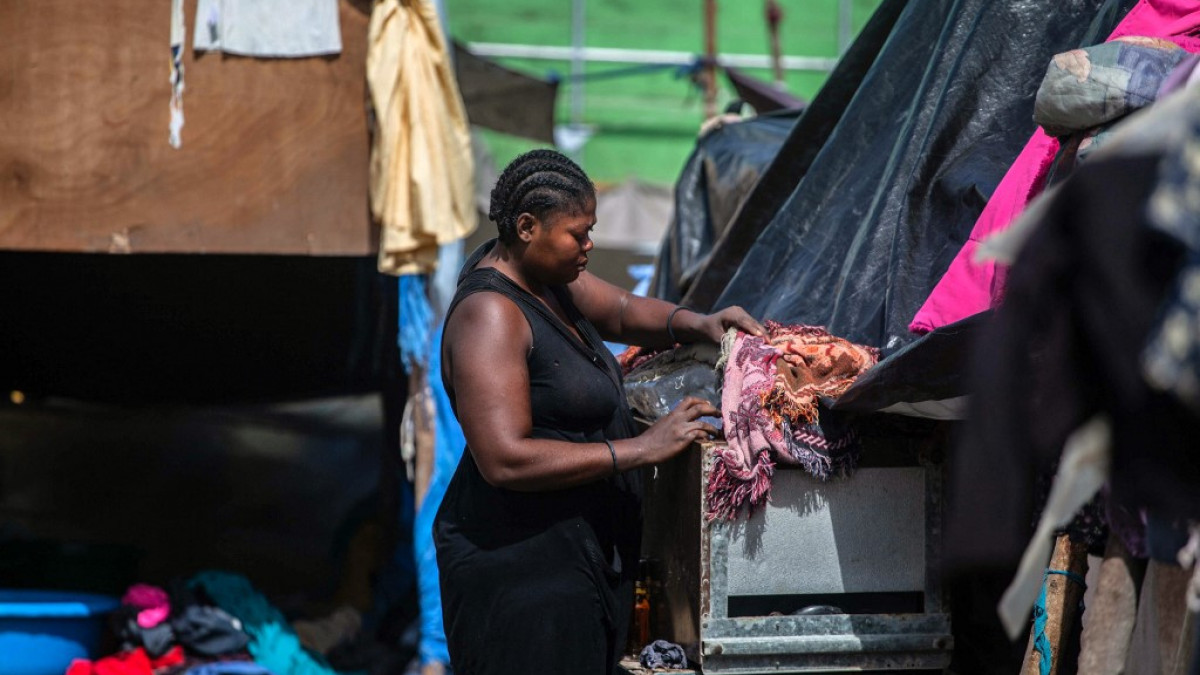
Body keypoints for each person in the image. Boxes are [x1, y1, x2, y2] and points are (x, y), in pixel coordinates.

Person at [434, 149, 764, 674]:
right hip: (523, 577)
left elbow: (622, 310)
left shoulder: (544, 279)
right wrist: (640, 448)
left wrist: (700, 323)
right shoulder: (490, 316)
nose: (589, 246)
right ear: (526, 226)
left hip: (574, 559)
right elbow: (504, 458)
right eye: (577, 234)